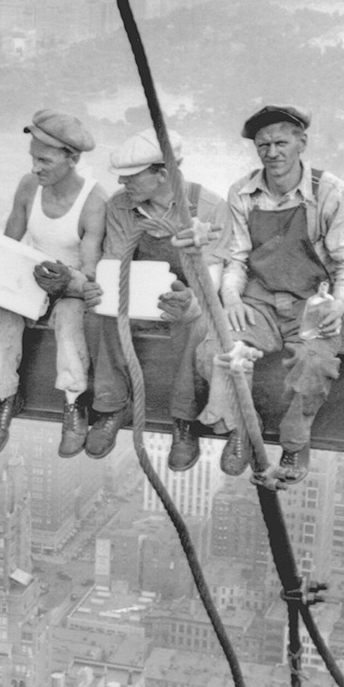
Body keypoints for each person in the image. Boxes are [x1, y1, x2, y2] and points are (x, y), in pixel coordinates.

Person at [195, 105, 344, 483]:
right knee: (217, 350)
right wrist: (233, 299)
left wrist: (339, 303)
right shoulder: (243, 192)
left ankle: (294, 441)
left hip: (314, 303)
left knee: (314, 364)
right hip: (261, 301)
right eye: (263, 145)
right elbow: (236, 259)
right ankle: (242, 428)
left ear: (301, 143)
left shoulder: (331, 193)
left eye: (281, 142)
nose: (272, 153)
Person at [83, 129, 228, 470]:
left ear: (162, 174)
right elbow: (115, 262)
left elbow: (213, 274)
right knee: (97, 313)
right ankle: (111, 404)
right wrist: (100, 287)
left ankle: (184, 419)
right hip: (137, 293)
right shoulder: (120, 206)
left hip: (188, 296)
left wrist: (192, 300)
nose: (122, 182)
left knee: (195, 324)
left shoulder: (209, 207)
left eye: (131, 177)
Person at [0, 110, 107, 454]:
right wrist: (2, 278)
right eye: (33, 158)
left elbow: (91, 268)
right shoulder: (28, 185)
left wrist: (67, 281)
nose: (35, 167)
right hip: (31, 275)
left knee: (68, 319)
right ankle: (3, 395)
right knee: (2, 310)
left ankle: (73, 401)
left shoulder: (94, 202)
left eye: (45, 160)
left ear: (73, 159)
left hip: (70, 285)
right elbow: (10, 242)